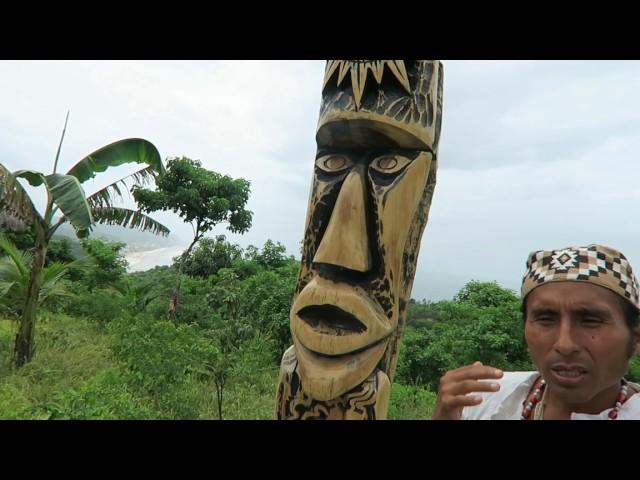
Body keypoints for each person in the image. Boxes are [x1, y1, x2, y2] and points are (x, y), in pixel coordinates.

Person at [432, 244, 640, 420]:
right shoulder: (483, 400)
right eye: (545, 319)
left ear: (635, 336)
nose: (564, 345)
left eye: (590, 321)